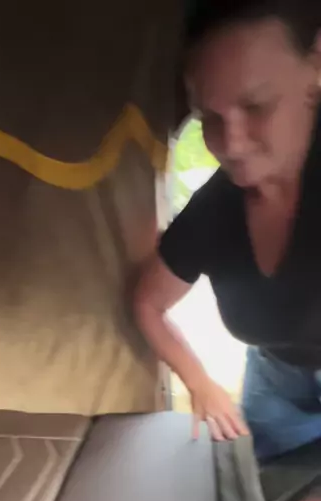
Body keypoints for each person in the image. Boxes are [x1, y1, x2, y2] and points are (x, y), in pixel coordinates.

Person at [134, 0, 321, 461]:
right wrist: (200, 383)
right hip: (275, 384)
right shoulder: (217, 208)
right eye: (209, 119)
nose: (231, 144)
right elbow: (148, 303)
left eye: (256, 106)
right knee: (262, 495)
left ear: (316, 68)